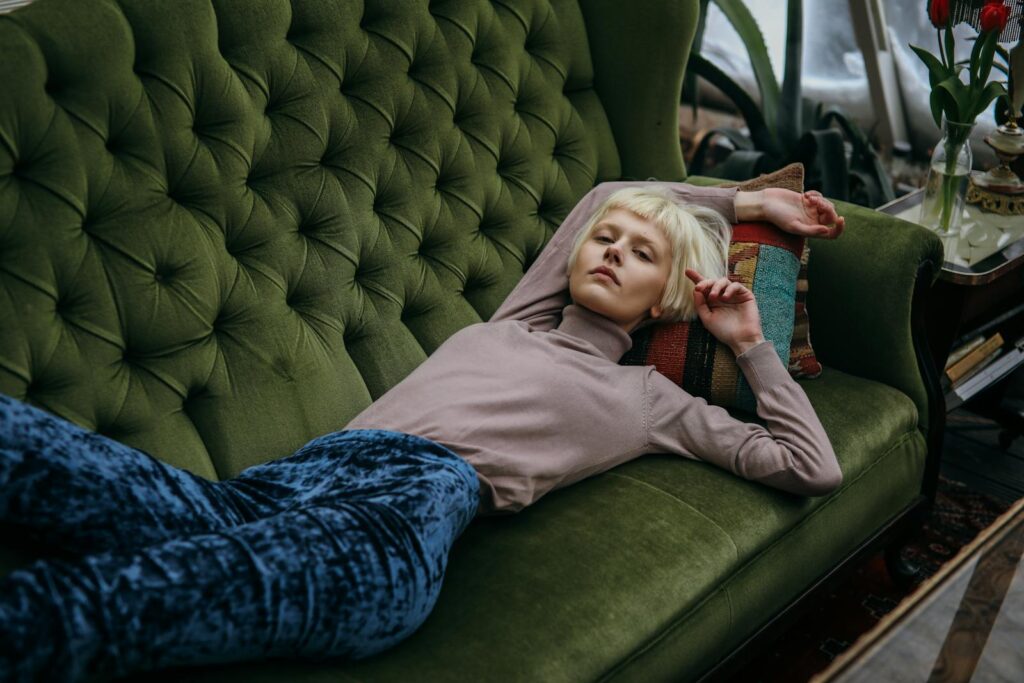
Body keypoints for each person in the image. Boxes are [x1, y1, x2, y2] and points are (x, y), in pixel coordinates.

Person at [0, 180, 845, 681]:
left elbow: (809, 466)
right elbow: (600, 196)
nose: (613, 248)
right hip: (274, 486)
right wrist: (743, 197)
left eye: (642, 252)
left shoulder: (652, 399)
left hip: (399, 518)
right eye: (606, 239)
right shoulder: (519, 320)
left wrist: (749, 344)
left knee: (105, 602)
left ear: (666, 297)